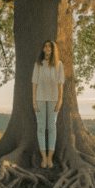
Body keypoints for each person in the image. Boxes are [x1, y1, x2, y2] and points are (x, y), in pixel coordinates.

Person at [32, 40, 64, 168]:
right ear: (43, 49)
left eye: (50, 46)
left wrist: (60, 100)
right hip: (39, 98)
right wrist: (34, 100)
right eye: (45, 46)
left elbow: (60, 84)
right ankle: (43, 158)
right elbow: (34, 83)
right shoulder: (38, 64)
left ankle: (50, 158)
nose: (47, 47)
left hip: (53, 99)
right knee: (41, 127)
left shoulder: (59, 65)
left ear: (53, 49)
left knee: (51, 128)